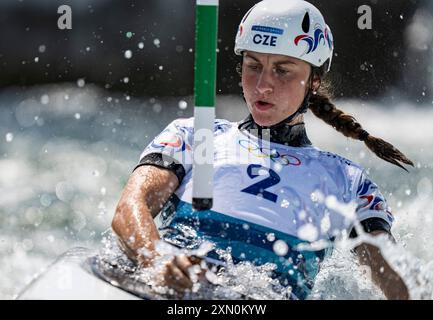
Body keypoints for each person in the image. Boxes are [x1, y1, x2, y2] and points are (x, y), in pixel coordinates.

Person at [112, 0, 413, 300]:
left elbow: (392, 279)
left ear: (315, 81)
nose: (263, 85)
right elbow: (129, 208)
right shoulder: (193, 134)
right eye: (253, 66)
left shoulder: (348, 180)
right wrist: (157, 258)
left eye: (282, 71)